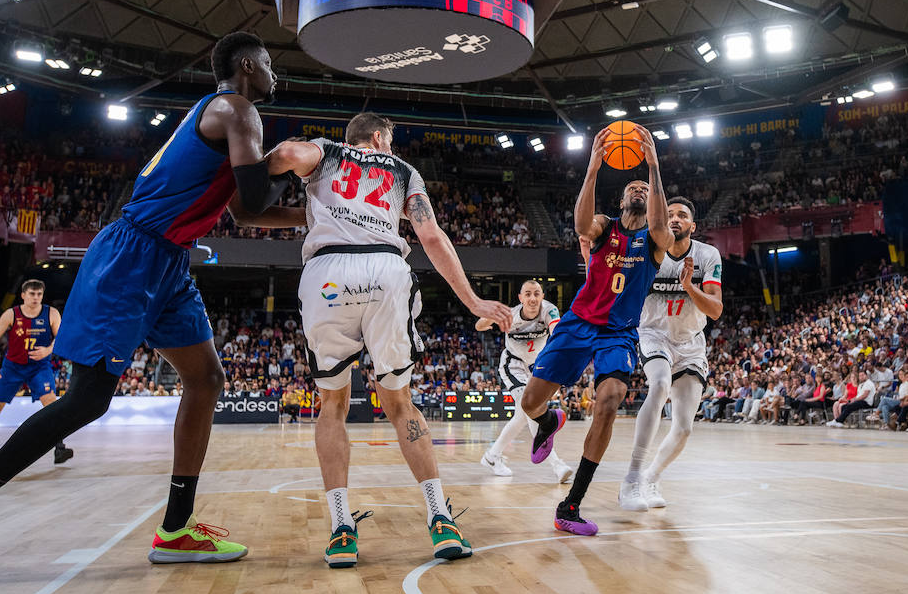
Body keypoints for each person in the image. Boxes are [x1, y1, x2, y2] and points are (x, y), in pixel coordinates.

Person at [0, 32, 303, 586]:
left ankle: (176, 527)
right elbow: (260, 197)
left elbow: (245, 211)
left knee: (206, 378)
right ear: (243, 66)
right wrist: (297, 162)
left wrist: (316, 218)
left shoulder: (225, 117)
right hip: (131, 257)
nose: (274, 76)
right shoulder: (237, 109)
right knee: (88, 400)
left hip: (167, 263)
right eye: (267, 64)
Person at [265, 112, 514, 566]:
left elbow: (284, 155)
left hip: (328, 276)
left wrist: (252, 176)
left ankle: (342, 529)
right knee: (399, 404)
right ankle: (441, 520)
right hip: (385, 272)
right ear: (380, 138)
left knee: (332, 407)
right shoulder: (402, 172)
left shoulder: (328, 152)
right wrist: (475, 301)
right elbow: (431, 236)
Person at [519, 126, 671, 536]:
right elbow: (581, 222)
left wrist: (653, 167)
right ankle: (548, 422)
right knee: (529, 403)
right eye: (632, 187)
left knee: (609, 400)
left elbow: (663, 228)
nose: (638, 190)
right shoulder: (605, 227)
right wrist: (593, 166)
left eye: (644, 187)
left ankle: (570, 505)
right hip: (579, 322)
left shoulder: (655, 239)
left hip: (617, 334)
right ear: (621, 199)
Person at [620, 197, 722, 511]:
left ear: (693, 225)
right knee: (660, 383)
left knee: (684, 427)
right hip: (654, 335)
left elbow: (716, 310)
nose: (675, 219)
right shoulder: (648, 251)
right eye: (670, 214)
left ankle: (652, 476)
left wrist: (690, 287)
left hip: (690, 343)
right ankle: (632, 479)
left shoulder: (707, 255)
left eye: (682, 215)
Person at [0, 281, 73, 469]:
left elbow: (62, 338)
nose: (36, 298)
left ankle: (59, 447)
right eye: (32, 294)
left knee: (51, 403)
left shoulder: (51, 313)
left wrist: (47, 350)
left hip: (39, 367)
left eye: (39, 294)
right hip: (13, 367)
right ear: (23, 295)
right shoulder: (11, 314)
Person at [476, 280, 574, 483]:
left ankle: (492, 456)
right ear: (520, 298)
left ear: (542, 297)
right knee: (530, 411)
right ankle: (557, 465)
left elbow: (556, 332)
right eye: (527, 294)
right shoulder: (510, 315)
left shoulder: (550, 310)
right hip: (513, 365)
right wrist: (491, 317)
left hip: (537, 368)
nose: (532, 298)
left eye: (536, 294)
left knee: (521, 416)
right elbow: (479, 326)